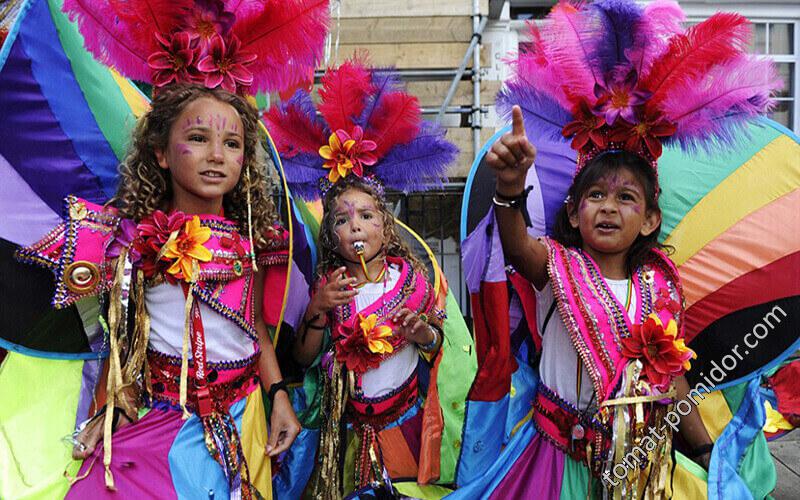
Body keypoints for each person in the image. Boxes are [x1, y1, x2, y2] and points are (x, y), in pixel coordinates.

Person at [448, 0, 778, 497]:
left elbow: (671, 376)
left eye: (626, 198)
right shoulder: (556, 267)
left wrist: (705, 451)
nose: (608, 208)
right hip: (559, 467)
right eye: (596, 196)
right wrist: (510, 189)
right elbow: (516, 247)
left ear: (650, 220)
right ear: (575, 212)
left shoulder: (660, 284)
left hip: (644, 469)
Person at [18, 84, 300, 498]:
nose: (217, 156)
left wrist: (278, 396)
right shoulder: (133, 242)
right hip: (164, 422)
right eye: (198, 138)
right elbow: (122, 339)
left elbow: (253, 323)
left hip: (245, 419)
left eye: (232, 143)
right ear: (161, 153)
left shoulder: (254, 241)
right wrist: (114, 406)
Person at [263, 58, 473, 498]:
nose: (355, 226)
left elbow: (448, 351)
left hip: (410, 429)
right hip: (352, 437)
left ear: (385, 225)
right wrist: (319, 308)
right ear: (331, 236)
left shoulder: (414, 280)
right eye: (341, 219)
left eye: (365, 215)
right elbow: (303, 359)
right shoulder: (332, 288)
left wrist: (424, 334)